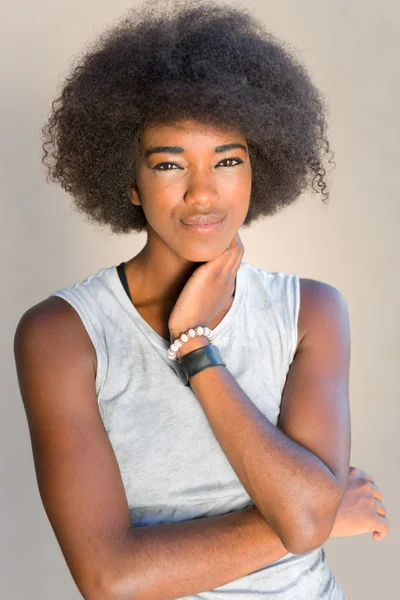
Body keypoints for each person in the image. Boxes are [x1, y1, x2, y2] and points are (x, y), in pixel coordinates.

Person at [13, 1, 389, 598]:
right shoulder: (63, 334)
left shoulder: (311, 312)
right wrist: (312, 517)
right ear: (130, 181)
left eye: (227, 160)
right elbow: (109, 578)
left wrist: (194, 343)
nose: (203, 192)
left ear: (257, 166)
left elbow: (307, 516)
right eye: (169, 163)